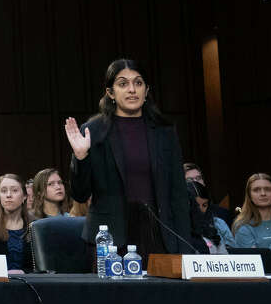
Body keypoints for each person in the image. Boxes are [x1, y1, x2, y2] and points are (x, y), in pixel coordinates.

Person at [64, 58, 195, 262]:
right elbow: (80, 195)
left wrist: (185, 247)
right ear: (110, 93)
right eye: (123, 83)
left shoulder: (164, 132)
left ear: (146, 90)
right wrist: (80, 157)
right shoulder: (94, 131)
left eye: (138, 83)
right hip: (111, 239)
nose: (132, 89)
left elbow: (177, 193)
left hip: (160, 235)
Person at [0, 174, 34, 273]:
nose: (8, 195)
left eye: (14, 190)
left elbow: (42, 268)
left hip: (30, 284)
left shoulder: (35, 226)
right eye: (3, 191)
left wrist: (24, 272)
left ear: (24, 196)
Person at [231, 173, 271, 251]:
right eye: (256, 190)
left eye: (268, 189)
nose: (263, 193)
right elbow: (257, 259)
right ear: (249, 196)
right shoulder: (243, 226)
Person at [183, 162, 236, 228]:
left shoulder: (223, 214)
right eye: (189, 180)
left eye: (198, 178)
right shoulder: (180, 217)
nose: (196, 182)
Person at [190, 180, 235, 254]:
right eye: (196, 205)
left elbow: (228, 257)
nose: (201, 209)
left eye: (204, 205)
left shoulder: (216, 224)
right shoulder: (179, 229)